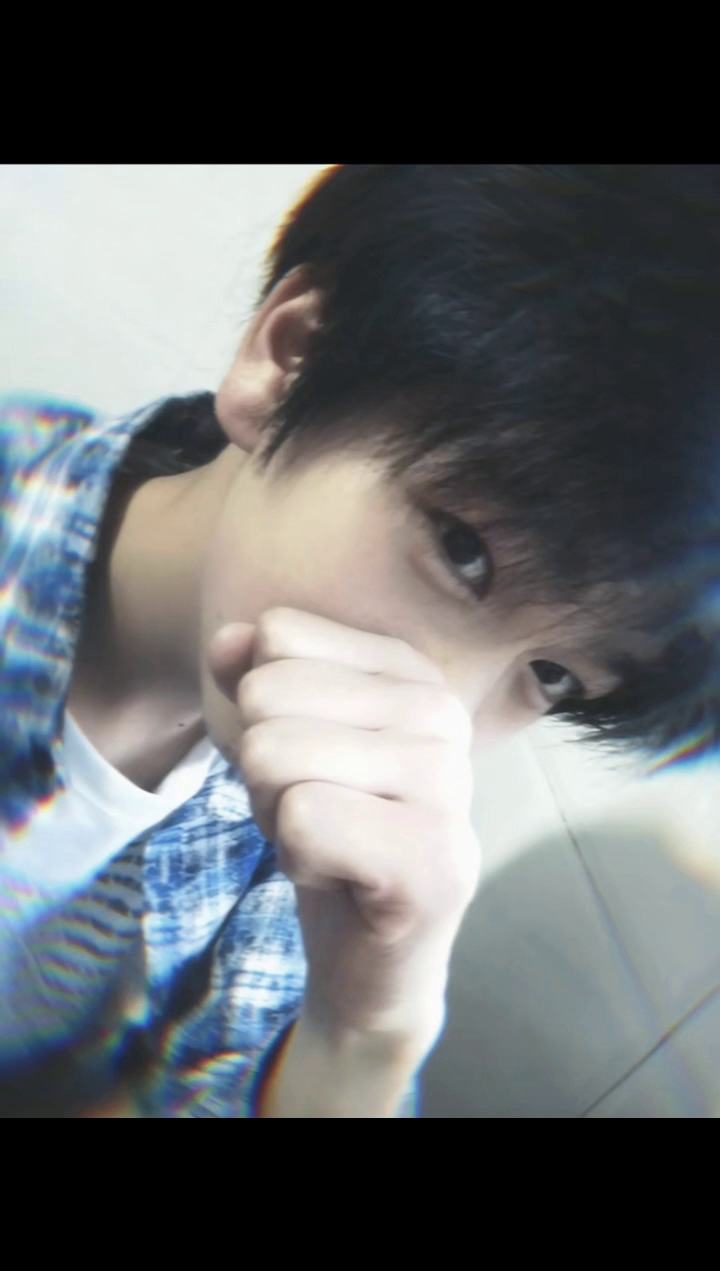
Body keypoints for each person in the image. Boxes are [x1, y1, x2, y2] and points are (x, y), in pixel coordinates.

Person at [2, 164, 720, 1118]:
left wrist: (365, 1034)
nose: (437, 716)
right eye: (463, 552)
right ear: (290, 356)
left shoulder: (311, 833)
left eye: (552, 675)